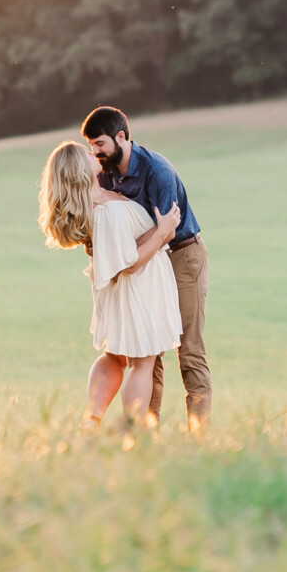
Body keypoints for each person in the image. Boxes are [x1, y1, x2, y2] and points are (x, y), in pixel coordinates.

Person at [37, 138, 182, 430]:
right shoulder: (106, 211)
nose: (93, 154)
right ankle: (133, 430)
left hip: (122, 291)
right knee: (141, 362)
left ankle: (91, 422)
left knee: (114, 356)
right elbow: (130, 262)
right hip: (137, 288)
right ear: (80, 169)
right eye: (86, 153)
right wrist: (163, 231)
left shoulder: (100, 199)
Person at [82, 104, 210, 432]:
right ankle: (146, 435)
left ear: (121, 137)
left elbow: (166, 228)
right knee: (147, 348)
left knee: (189, 348)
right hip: (146, 262)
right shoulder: (106, 172)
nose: (95, 152)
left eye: (100, 144)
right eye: (92, 146)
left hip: (181, 255)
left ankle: (199, 434)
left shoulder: (157, 170)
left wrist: (123, 257)